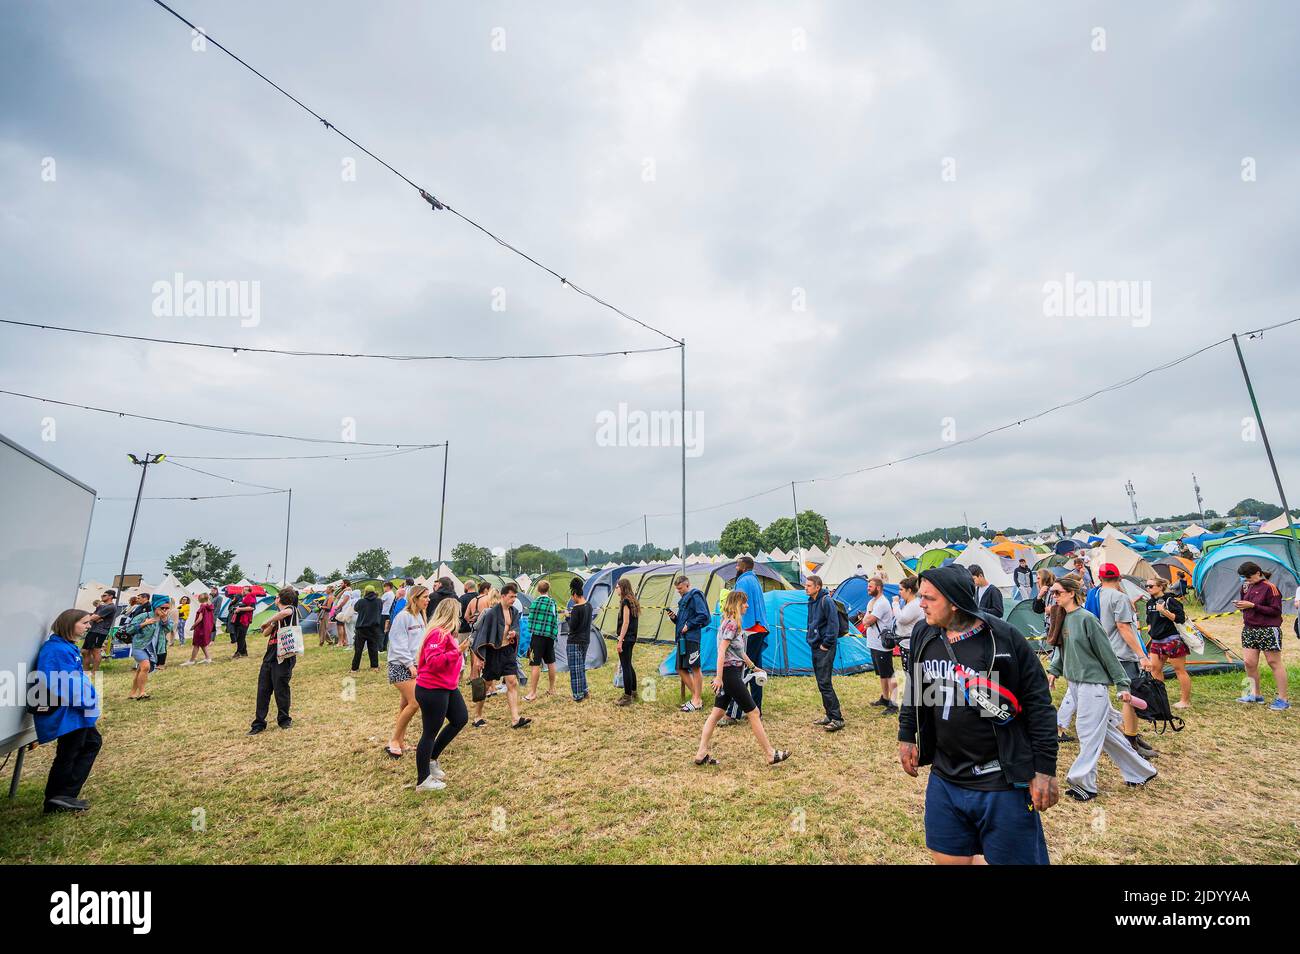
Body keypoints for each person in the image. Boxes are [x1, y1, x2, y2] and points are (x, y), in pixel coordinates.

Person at [899, 565, 1059, 865]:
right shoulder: (924, 632)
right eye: (921, 596)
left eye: (929, 599)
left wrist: (1045, 769)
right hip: (945, 777)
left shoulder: (1003, 638)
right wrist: (907, 735)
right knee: (948, 859)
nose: (921, 604)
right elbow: (915, 685)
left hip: (1000, 781)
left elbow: (1039, 707)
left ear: (955, 602)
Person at [1047, 576, 1156, 801]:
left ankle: (1083, 783)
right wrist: (1054, 671)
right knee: (1106, 735)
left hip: (1093, 685)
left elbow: (1107, 654)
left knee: (1087, 732)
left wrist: (1123, 683)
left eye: (1057, 592)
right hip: (1075, 683)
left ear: (1070, 593)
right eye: (1053, 593)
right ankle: (1141, 772)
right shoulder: (1063, 618)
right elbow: (1061, 649)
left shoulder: (1087, 619)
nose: (1054, 597)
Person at [693, 591, 790, 767]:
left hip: (731, 673)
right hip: (730, 675)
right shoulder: (731, 625)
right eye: (744, 603)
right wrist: (719, 677)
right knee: (753, 712)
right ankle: (770, 754)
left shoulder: (728, 623)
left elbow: (739, 652)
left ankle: (701, 753)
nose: (747, 606)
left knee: (717, 713)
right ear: (737, 604)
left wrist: (753, 667)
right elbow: (722, 651)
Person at [33, 610, 102, 814]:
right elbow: (59, 683)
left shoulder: (65, 647)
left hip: (76, 712)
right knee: (69, 752)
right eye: (84, 623)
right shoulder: (55, 650)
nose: (88, 626)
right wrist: (86, 702)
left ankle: (63, 796)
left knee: (89, 744)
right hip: (69, 712)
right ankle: (57, 798)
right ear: (69, 624)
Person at [1096, 563, 1156, 760]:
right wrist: (1142, 655)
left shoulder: (1096, 595)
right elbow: (1123, 627)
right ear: (1119, 577)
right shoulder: (1119, 597)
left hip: (1105, 650)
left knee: (1115, 695)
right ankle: (1130, 740)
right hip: (1122, 652)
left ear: (1100, 577)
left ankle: (1130, 736)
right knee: (1128, 695)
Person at [414, 596, 470, 791]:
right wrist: (458, 651)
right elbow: (434, 662)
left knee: (460, 718)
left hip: (447, 686)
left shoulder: (446, 634)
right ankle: (423, 780)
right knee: (429, 732)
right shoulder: (437, 634)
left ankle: (432, 758)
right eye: (458, 614)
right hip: (432, 688)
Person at [470, 583, 530, 729]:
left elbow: (516, 626)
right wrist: (479, 658)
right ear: (503, 596)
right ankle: (477, 716)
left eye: (515, 597)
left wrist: (514, 633)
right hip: (493, 652)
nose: (514, 599)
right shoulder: (491, 613)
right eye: (511, 597)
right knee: (486, 684)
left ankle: (515, 719)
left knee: (512, 681)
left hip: (507, 651)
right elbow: (481, 635)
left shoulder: (514, 611)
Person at [1234, 561, 1289, 710]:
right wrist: (1242, 605)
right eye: (1244, 578)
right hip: (1249, 629)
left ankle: (1283, 699)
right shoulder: (1245, 586)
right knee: (1249, 663)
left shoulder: (1271, 588)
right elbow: (1246, 604)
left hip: (1268, 629)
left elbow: (1276, 611)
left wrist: (1253, 606)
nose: (1246, 580)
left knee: (1273, 662)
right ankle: (1254, 694)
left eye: (1248, 577)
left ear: (1258, 573)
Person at [385, 584, 429, 758]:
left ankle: (400, 741)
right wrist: (409, 663)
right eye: (424, 597)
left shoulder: (420, 617)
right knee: (415, 702)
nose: (428, 600)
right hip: (400, 666)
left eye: (428, 597)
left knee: (405, 705)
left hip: (415, 666)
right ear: (415, 598)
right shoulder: (403, 616)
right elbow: (398, 643)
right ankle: (394, 741)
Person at [249, 587, 300, 734]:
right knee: (263, 690)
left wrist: (267, 620)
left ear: (279, 599)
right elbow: (265, 633)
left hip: (284, 657)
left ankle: (284, 720)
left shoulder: (291, 610)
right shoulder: (278, 618)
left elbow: (286, 612)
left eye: (275, 597)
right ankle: (258, 723)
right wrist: (270, 624)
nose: (275, 600)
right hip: (270, 656)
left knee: (281, 689)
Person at [727, 556, 769, 717]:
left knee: (743, 670)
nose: (736, 568)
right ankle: (756, 708)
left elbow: (739, 607)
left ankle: (735, 713)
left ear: (743, 568)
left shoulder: (743, 582)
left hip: (750, 629)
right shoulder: (755, 580)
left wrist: (735, 626)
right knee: (756, 670)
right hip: (760, 629)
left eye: (737, 566)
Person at [1143, 577, 1191, 709]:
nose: (1148, 588)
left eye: (1151, 586)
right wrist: (1150, 628)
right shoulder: (1149, 603)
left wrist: (1164, 611)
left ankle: (1185, 701)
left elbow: (1180, 619)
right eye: (1146, 586)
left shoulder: (1171, 601)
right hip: (1156, 641)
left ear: (1160, 587)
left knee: (1179, 670)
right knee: (1155, 669)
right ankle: (1159, 699)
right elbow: (1149, 618)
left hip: (1172, 640)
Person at [805, 574, 844, 732]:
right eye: (806, 585)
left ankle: (837, 718)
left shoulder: (826, 600)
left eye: (808, 585)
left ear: (817, 587)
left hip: (824, 647)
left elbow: (833, 624)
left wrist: (826, 644)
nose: (805, 588)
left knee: (825, 682)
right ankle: (829, 714)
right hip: (815, 645)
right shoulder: (811, 601)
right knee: (821, 682)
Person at [668, 575, 709, 712]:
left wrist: (689, 625)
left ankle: (697, 701)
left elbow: (703, 615)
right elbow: (683, 620)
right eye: (677, 589)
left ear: (687, 585)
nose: (678, 591)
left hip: (692, 638)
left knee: (695, 668)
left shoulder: (696, 595)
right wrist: (675, 618)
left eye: (680, 588)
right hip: (682, 638)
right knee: (680, 668)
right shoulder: (684, 600)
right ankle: (696, 697)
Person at [122, 596, 173, 700]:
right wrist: (144, 623)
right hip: (139, 646)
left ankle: (132, 693)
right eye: (162, 608)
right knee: (145, 667)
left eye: (167, 608)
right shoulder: (143, 616)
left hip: (154, 649)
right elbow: (129, 629)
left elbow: (168, 629)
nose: (164, 610)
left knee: (141, 670)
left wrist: (164, 620)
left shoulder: (166, 619)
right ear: (155, 606)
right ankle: (142, 693)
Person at [863, 576, 898, 714]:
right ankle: (885, 698)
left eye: (870, 586)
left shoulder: (882, 603)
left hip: (882, 645)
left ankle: (894, 703)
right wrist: (866, 619)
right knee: (882, 674)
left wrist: (867, 619)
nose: (868, 588)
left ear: (878, 587)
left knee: (889, 674)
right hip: (874, 644)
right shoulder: (872, 602)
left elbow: (868, 621)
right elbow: (865, 620)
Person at [524, 579, 560, 701]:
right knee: (551, 662)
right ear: (548, 589)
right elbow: (556, 619)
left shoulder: (534, 603)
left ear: (538, 590)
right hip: (549, 636)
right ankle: (551, 689)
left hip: (537, 637)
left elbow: (530, 620)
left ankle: (533, 692)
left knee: (535, 664)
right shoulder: (552, 603)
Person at [613, 577, 641, 706]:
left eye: (617, 586)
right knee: (628, 664)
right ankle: (633, 691)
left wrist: (620, 640)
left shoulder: (625, 601)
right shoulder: (632, 600)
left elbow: (626, 622)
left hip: (626, 637)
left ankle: (627, 696)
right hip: (631, 637)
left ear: (623, 587)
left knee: (625, 666)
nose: (616, 589)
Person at [565, 577, 592, 703]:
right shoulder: (589, 606)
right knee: (581, 667)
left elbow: (572, 626)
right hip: (585, 640)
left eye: (572, 596)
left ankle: (578, 695)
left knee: (575, 669)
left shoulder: (576, 609)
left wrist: (567, 617)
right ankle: (585, 690)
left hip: (574, 641)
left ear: (575, 594)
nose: (572, 599)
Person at [81, 589, 120, 674]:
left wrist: (94, 618)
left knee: (96, 650)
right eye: (102, 595)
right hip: (93, 630)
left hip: (100, 632)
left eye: (104, 595)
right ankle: (86, 670)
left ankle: (94, 672)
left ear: (111, 596)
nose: (102, 597)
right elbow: (93, 616)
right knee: (85, 651)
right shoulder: (101, 606)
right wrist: (95, 617)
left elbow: (94, 617)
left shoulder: (111, 607)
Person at [892, 576, 924, 674]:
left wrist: (895, 603)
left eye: (901, 589)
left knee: (911, 674)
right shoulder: (910, 604)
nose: (899, 592)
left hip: (910, 645)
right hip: (906, 644)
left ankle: (914, 689)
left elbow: (902, 619)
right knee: (909, 673)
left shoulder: (914, 604)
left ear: (909, 590)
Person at [352, 586, 384, 672]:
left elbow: (356, 609)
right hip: (374, 628)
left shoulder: (361, 601)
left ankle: (354, 668)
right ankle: (374, 666)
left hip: (361, 628)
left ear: (365, 592)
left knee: (358, 649)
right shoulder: (379, 601)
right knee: (373, 648)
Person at [181, 591, 215, 665]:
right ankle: (208, 658)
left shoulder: (203, 606)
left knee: (196, 644)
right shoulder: (210, 606)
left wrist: (194, 626)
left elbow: (200, 618)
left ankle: (191, 660)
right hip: (207, 627)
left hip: (201, 628)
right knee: (203, 644)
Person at [229, 593, 255, 659]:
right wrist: (233, 606)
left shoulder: (251, 600)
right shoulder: (239, 600)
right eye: (244, 590)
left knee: (241, 636)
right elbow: (230, 608)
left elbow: (252, 608)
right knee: (240, 637)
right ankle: (244, 652)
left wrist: (240, 609)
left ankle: (239, 652)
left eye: (246, 590)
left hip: (245, 620)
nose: (244, 591)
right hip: (238, 620)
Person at [380, 581, 396, 653]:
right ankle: (384, 647)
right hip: (389, 614)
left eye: (385, 586)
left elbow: (380, 603)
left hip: (383, 614)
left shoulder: (386, 594)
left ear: (388, 587)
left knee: (381, 631)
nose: (384, 588)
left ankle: (380, 648)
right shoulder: (393, 594)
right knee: (386, 631)